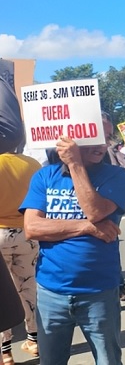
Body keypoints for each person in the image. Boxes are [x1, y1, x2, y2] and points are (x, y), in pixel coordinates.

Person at [19, 114, 125, 364]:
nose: (103, 145)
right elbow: (33, 228)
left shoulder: (116, 176)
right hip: (50, 292)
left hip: (99, 292)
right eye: (96, 137)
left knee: (108, 360)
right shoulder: (44, 176)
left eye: (107, 137)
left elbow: (96, 211)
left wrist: (76, 164)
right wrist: (88, 228)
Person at [0, 151, 41, 363]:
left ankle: (5, 351)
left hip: (0, 233)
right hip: (27, 232)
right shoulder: (32, 163)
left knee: (2, 295)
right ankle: (33, 339)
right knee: (28, 287)